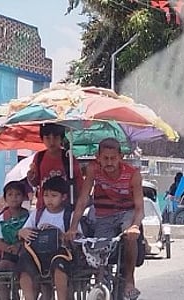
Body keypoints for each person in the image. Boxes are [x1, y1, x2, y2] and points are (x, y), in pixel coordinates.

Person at [67, 137, 144, 300]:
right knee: (99, 250)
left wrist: (135, 226)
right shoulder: (93, 169)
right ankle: (103, 282)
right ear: (98, 157)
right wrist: (73, 227)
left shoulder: (133, 174)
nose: (109, 162)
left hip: (127, 212)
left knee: (130, 237)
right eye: (105, 158)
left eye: (113, 158)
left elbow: (139, 208)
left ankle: (129, 279)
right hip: (104, 215)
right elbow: (82, 200)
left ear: (120, 157)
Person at [17, 176, 81, 300]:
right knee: (24, 264)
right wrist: (22, 232)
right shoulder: (37, 214)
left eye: (53, 195)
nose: (49, 199)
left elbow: (78, 237)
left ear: (64, 197)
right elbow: (23, 231)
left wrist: (63, 235)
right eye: (46, 195)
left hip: (60, 253)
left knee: (59, 266)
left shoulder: (69, 215)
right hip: (37, 254)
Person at [26, 123, 83, 209]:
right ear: (42, 139)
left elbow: (79, 183)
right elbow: (36, 183)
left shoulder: (68, 157)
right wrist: (30, 177)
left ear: (61, 138)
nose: (52, 142)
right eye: (48, 138)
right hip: (43, 207)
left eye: (55, 137)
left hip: (65, 208)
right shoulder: (39, 157)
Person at [0, 181, 30, 299]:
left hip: (28, 254)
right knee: (0, 271)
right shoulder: (2, 218)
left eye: (17, 194)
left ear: (24, 197)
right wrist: (10, 249)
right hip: (9, 255)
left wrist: (20, 247)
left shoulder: (29, 216)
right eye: (10, 195)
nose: (14, 198)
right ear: (5, 198)